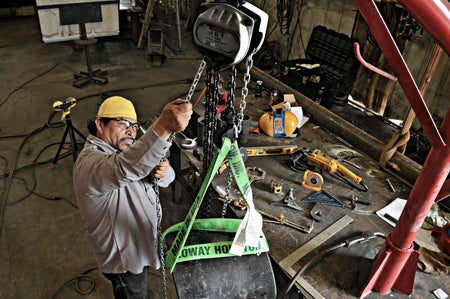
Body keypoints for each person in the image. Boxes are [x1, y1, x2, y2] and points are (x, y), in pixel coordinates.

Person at [73, 96, 192, 298]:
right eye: (122, 123)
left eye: (134, 126)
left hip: (140, 245)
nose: (130, 131)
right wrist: (162, 127)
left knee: (139, 287)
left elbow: (164, 179)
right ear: (99, 124)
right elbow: (123, 168)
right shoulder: (90, 164)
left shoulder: (129, 154)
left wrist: (165, 171)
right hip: (125, 262)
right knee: (133, 290)